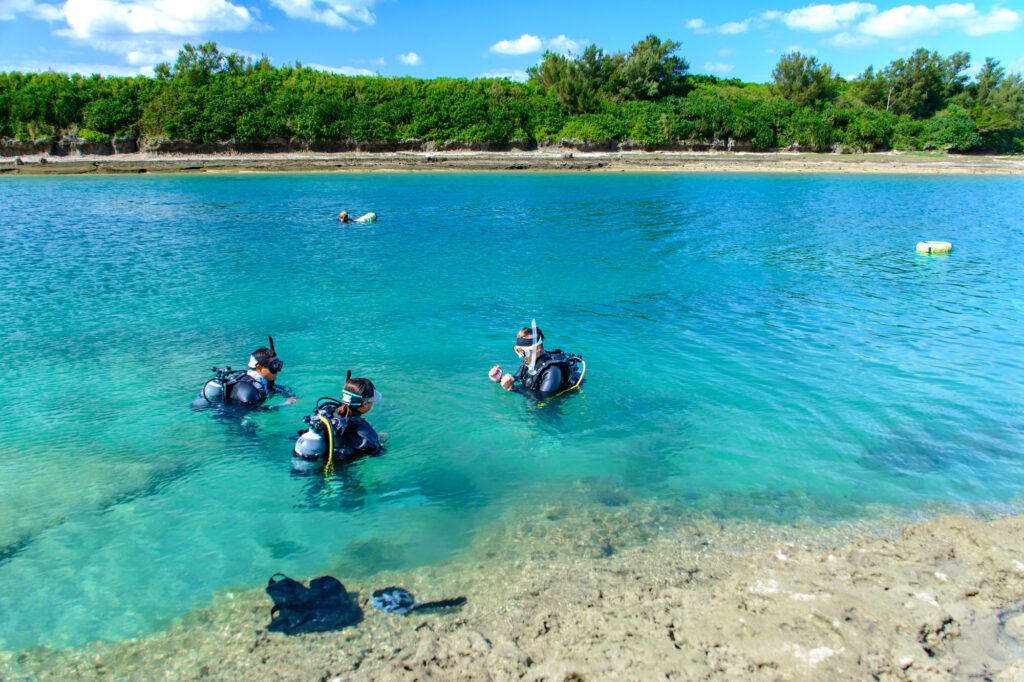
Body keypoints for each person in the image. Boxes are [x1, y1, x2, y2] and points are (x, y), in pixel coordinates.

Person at [292, 375, 383, 466]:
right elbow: (377, 453)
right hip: (338, 467)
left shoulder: (328, 414)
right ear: (365, 404)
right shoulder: (365, 431)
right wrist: (377, 439)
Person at [488, 323, 583, 398]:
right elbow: (516, 379)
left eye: (522, 352)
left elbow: (543, 397)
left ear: (537, 348)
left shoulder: (552, 370)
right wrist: (499, 379)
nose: (520, 356)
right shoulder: (527, 361)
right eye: (517, 351)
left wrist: (513, 388)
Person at [199, 344, 298, 409]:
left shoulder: (263, 382)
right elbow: (254, 411)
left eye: (278, 364)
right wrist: (285, 404)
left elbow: (278, 389)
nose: (278, 370)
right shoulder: (248, 390)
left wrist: (290, 395)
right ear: (259, 368)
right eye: (274, 366)